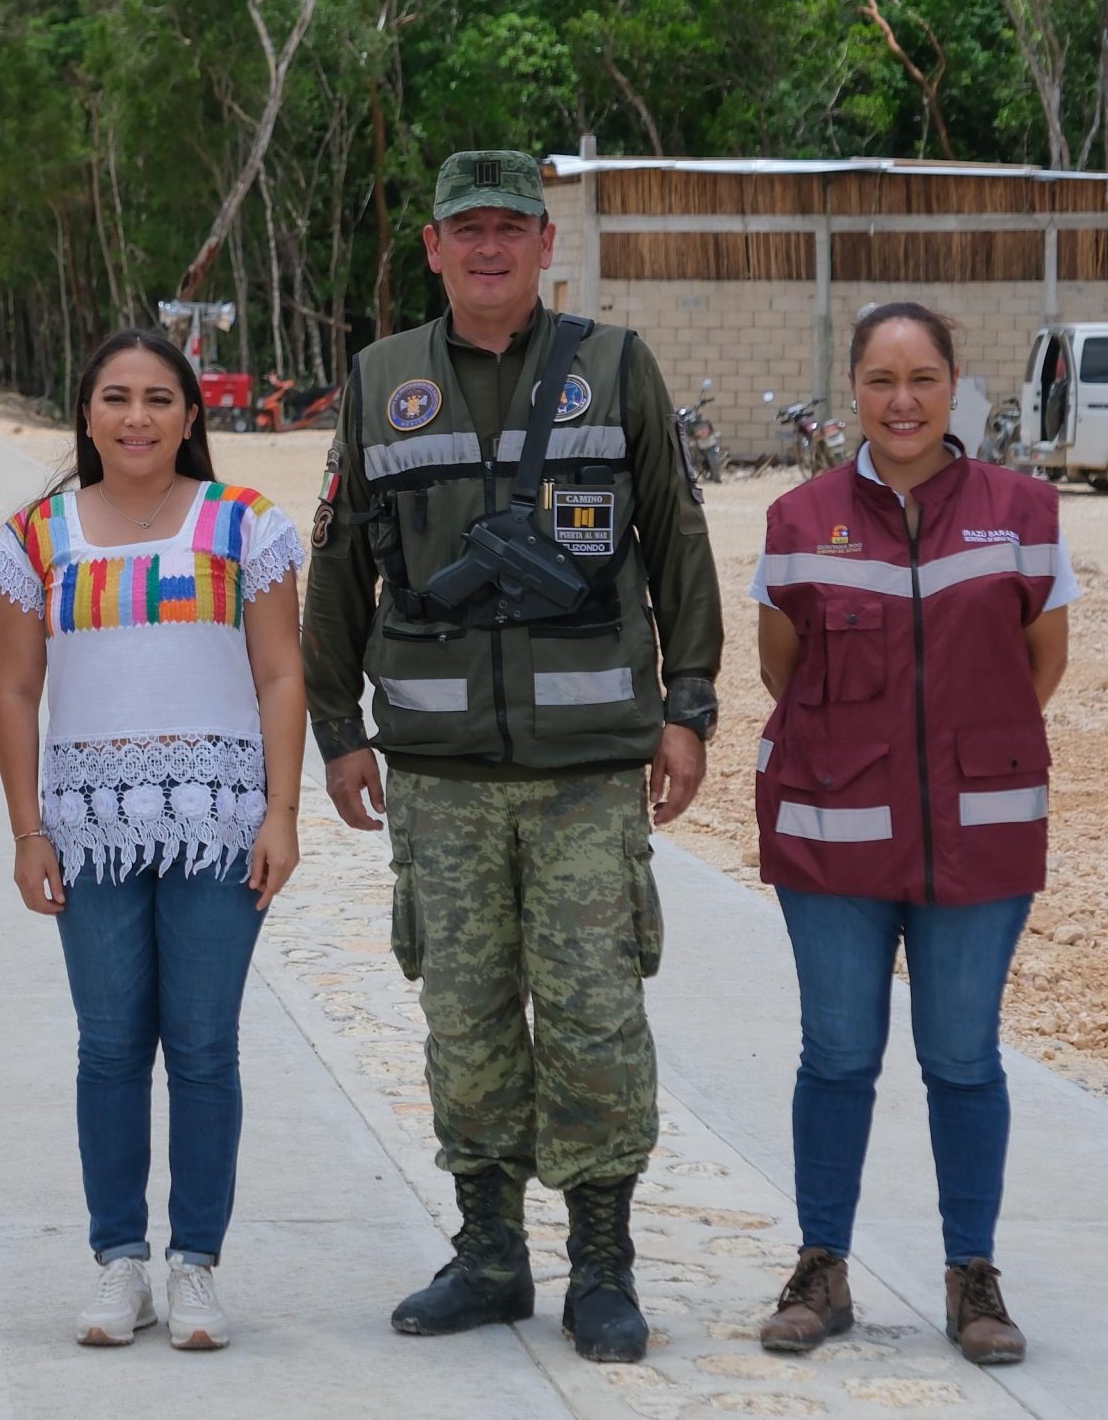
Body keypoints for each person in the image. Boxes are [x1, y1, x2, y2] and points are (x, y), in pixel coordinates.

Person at [302, 149, 723, 1363]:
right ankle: (489, 1252)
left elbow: (676, 537)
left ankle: (602, 1261)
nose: (487, 247)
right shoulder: (381, 381)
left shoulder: (614, 366)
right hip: (438, 772)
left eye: (510, 227)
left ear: (547, 245)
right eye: (463, 229)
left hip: (589, 768)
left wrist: (685, 707)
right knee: (465, 1016)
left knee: (595, 1020)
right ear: (429, 250)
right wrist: (339, 732)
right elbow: (338, 566)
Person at [749, 303, 1068, 1368]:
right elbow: (780, 670)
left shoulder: (1022, 509)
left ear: (954, 385)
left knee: (962, 1056)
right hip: (834, 832)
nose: (902, 401)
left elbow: (1039, 666)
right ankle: (820, 1268)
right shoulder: (798, 518)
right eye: (881, 380)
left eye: (923, 378)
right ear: (852, 390)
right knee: (837, 1055)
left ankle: (971, 1278)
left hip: (977, 834)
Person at [0, 329, 307, 1351]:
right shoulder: (37, 535)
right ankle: (119, 1259)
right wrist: (27, 827)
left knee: (205, 1047)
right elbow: (13, 687)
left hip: (218, 820)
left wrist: (282, 810)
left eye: (158, 398)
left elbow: (279, 675)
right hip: (90, 830)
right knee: (110, 1046)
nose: (136, 417)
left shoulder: (240, 524)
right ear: (84, 414)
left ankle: (196, 1265)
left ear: (189, 415)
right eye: (115, 397)